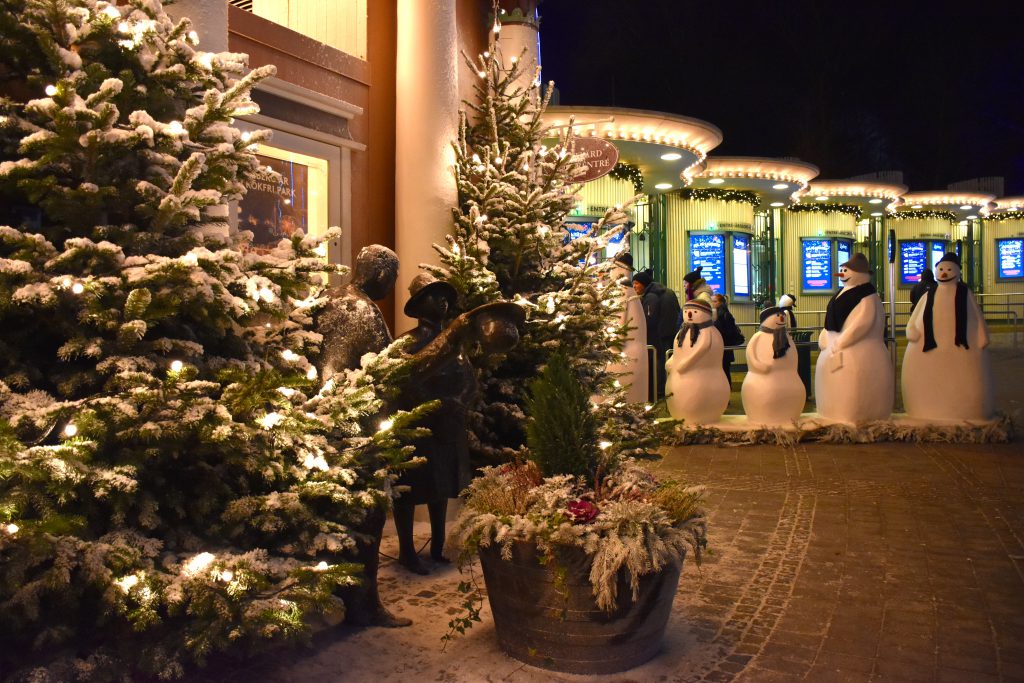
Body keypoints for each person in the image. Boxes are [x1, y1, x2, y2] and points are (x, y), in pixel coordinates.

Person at [392, 274, 472, 575]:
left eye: (445, 295)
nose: (443, 301)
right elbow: (403, 384)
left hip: (448, 426)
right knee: (409, 491)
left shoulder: (455, 345)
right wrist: (432, 407)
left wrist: (459, 402)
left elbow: (469, 381)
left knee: (440, 488)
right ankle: (407, 552)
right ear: (418, 304)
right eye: (433, 294)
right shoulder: (406, 344)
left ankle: (437, 546)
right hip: (418, 427)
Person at [632, 268, 681, 398]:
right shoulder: (663, 291)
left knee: (658, 364)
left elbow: (648, 320)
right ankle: (662, 390)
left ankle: (657, 392)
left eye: (636, 283)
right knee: (663, 362)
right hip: (668, 333)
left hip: (658, 337)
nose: (634, 286)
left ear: (644, 283)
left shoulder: (651, 296)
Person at [711, 294, 744, 388]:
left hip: (724, 347)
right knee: (724, 371)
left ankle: (725, 393)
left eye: (715, 301)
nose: (712, 303)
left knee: (724, 371)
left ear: (721, 302)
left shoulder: (723, 315)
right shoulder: (720, 313)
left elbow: (728, 332)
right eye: (712, 301)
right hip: (724, 348)